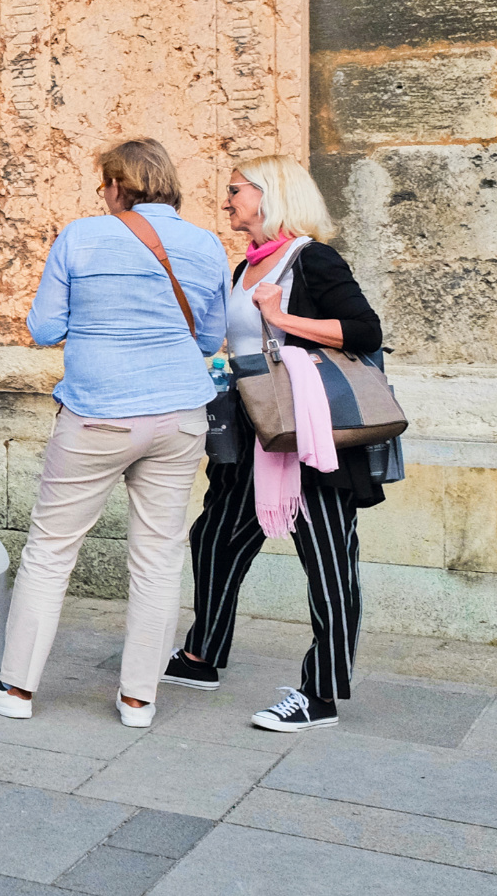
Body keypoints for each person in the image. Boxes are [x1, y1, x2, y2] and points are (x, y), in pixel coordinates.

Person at [0, 139, 228, 728]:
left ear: (117, 184)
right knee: (160, 556)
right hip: (181, 414)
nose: (101, 195)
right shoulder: (207, 245)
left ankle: (15, 689)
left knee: (52, 551)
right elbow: (209, 341)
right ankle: (139, 699)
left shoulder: (81, 237)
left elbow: (43, 327)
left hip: (99, 412)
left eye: (103, 185)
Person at [162, 154, 383, 732]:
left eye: (236, 189)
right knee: (214, 537)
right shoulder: (244, 269)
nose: (227, 198)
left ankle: (322, 693)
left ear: (269, 194)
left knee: (329, 562)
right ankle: (202, 655)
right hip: (252, 433)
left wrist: (284, 318)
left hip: (312, 437)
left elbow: (365, 331)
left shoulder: (312, 260)